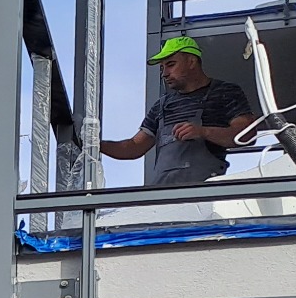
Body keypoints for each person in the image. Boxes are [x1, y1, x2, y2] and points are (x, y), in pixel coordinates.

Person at [100, 36, 255, 187]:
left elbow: (246, 134)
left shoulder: (225, 92)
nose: (164, 73)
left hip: (203, 195)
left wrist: (203, 132)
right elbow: (134, 147)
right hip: (163, 197)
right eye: (162, 68)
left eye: (170, 64)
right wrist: (95, 144)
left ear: (191, 61)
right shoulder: (162, 105)